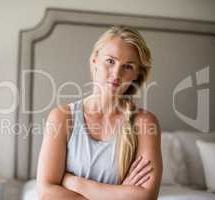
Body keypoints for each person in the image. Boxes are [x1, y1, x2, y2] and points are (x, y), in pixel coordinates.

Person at [37, 26, 162, 200]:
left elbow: (145, 197)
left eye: (127, 66)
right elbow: (46, 193)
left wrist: (76, 183)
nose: (116, 74)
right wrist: (119, 194)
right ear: (95, 60)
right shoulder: (62, 117)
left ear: (136, 74)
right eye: (110, 61)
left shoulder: (145, 123)